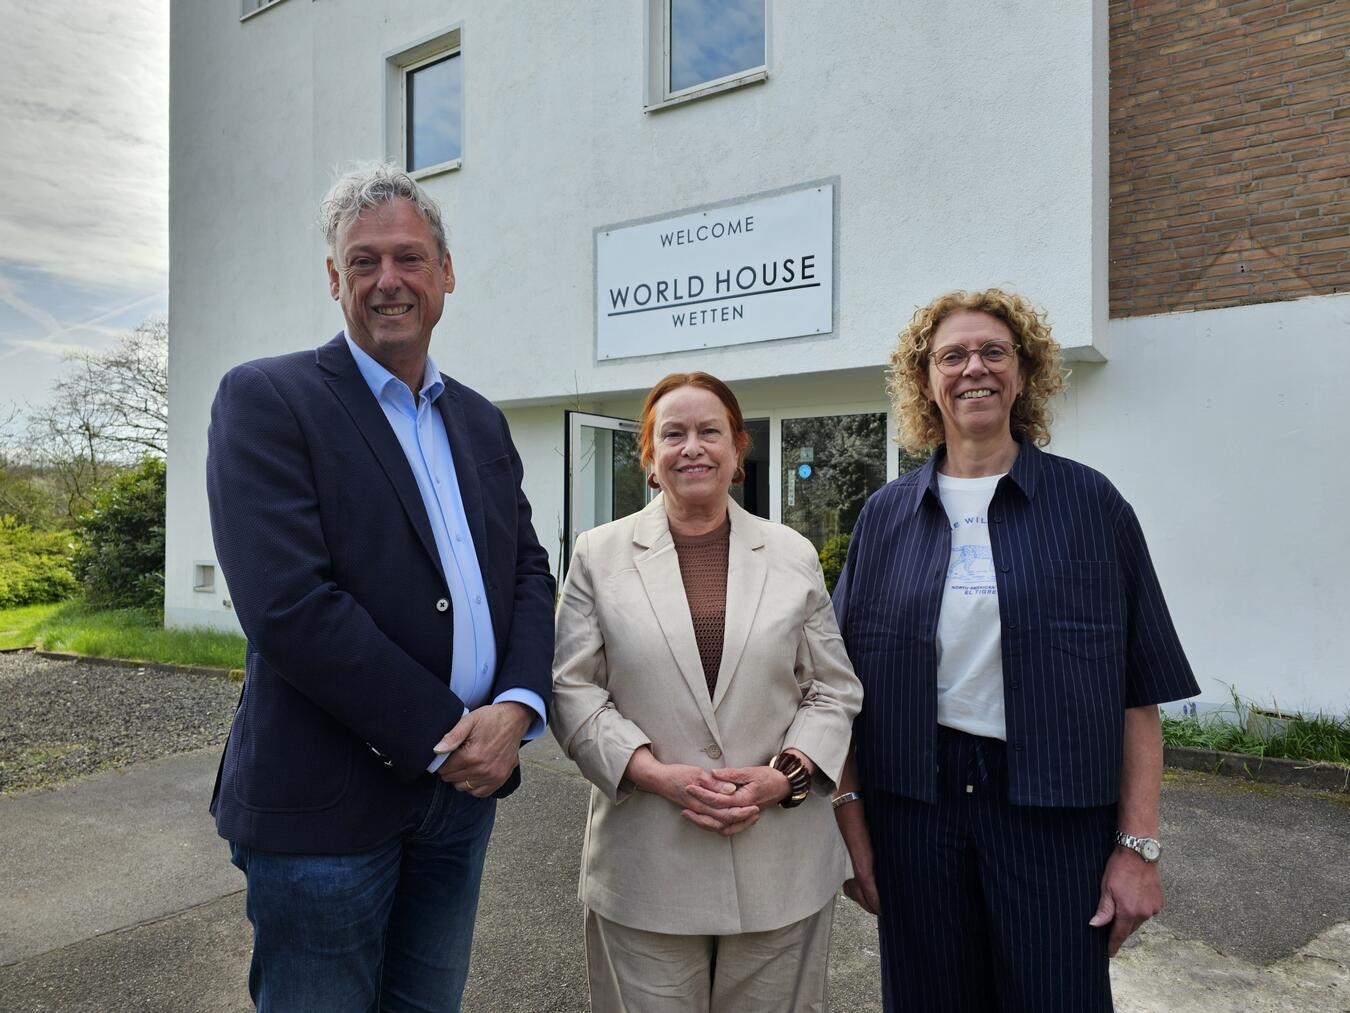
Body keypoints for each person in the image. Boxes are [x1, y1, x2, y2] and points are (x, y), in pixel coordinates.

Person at [205, 163, 555, 1012]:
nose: (388, 280)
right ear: (335, 279)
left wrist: (515, 706)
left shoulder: (478, 419)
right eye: (364, 262)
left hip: (461, 800)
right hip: (327, 809)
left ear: (445, 273)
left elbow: (528, 572)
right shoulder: (268, 399)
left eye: (408, 257)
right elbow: (291, 606)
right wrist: (449, 733)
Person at [831, 288, 1200, 1012]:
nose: (975, 368)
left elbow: (1138, 692)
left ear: (1024, 373)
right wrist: (850, 825)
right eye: (953, 355)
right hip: (915, 810)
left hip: (1053, 814)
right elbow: (836, 686)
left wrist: (1139, 847)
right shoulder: (884, 517)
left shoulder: (1092, 507)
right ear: (926, 380)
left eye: (994, 351)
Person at [551, 372, 863, 1012]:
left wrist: (785, 777)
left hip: (779, 860)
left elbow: (832, 689)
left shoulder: (791, 552)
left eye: (709, 431)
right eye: (673, 434)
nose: (692, 447)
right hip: (647, 863)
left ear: (737, 448)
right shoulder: (597, 555)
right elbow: (573, 689)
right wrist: (654, 772)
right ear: (649, 456)